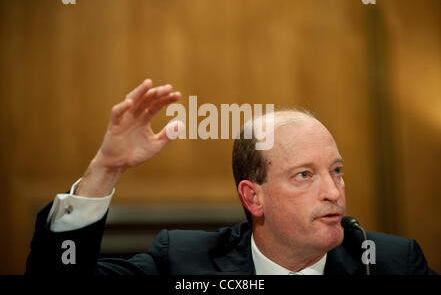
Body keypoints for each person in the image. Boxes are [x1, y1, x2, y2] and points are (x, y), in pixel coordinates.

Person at [26, 79, 436, 275]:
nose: (333, 192)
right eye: (304, 175)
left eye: (337, 171)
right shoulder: (185, 264)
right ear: (253, 198)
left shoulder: (391, 264)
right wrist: (106, 169)